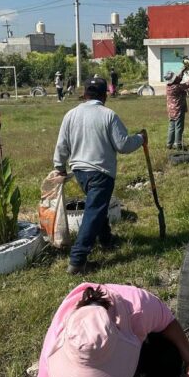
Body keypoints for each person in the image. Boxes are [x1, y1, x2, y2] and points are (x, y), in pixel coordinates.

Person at [53, 77, 146, 274]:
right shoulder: (108, 116)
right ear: (105, 96)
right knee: (94, 211)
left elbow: (62, 144)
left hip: (80, 172)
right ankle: (77, 260)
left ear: (85, 94)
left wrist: (59, 166)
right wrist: (140, 138)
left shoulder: (71, 114)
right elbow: (123, 145)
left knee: (98, 205)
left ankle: (106, 240)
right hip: (101, 172)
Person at [35, 283, 189, 377]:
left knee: (169, 355)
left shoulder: (139, 308)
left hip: (141, 344)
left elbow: (168, 323)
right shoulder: (54, 343)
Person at [164, 68, 189, 150]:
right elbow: (187, 84)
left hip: (171, 110)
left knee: (171, 127)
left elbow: (178, 78)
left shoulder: (169, 86)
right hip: (178, 110)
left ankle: (169, 144)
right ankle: (178, 144)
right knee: (178, 127)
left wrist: (183, 70)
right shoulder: (176, 87)